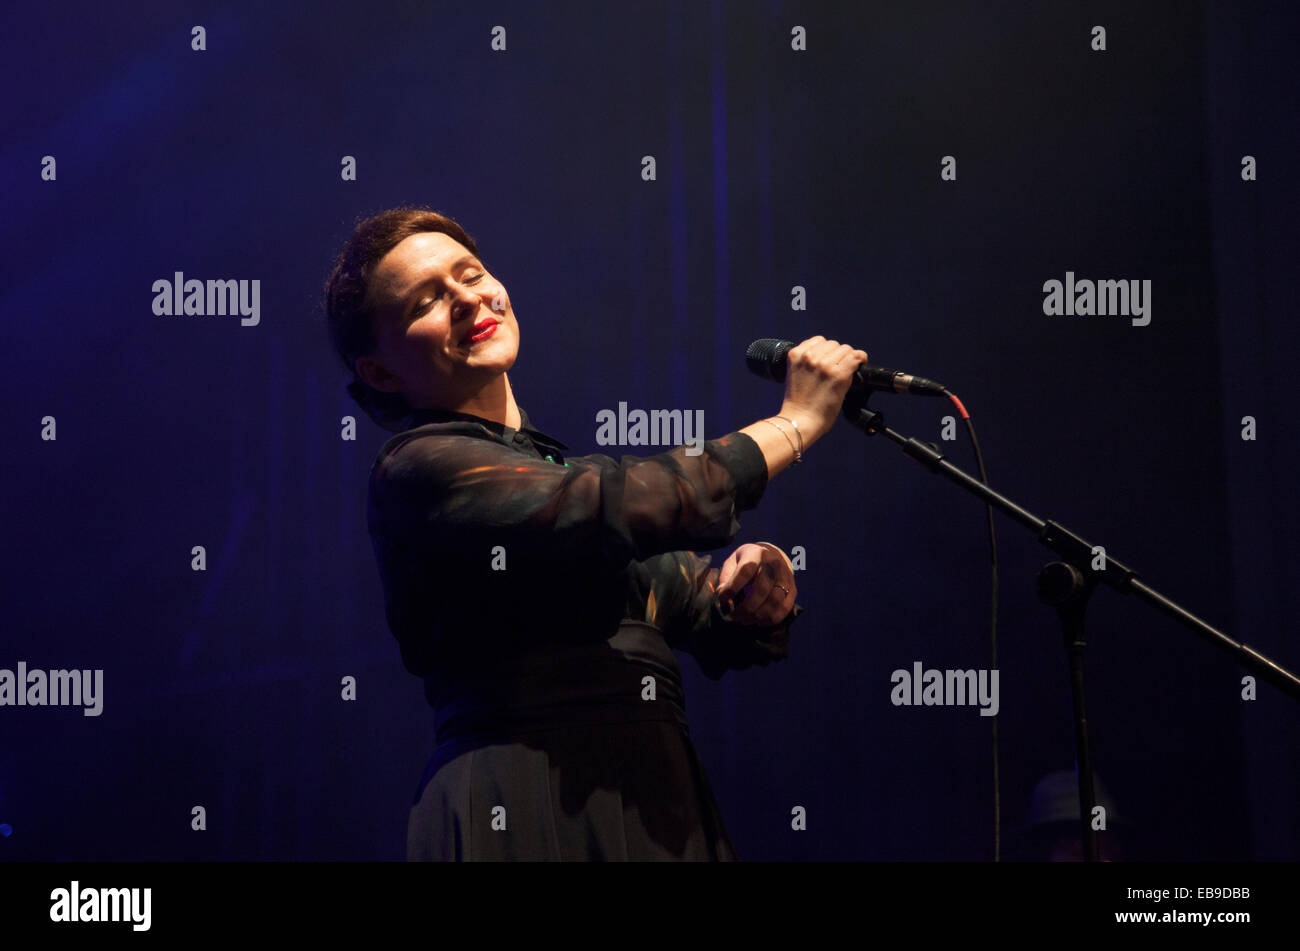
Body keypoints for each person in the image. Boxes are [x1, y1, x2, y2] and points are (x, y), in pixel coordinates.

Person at [323, 206, 868, 860]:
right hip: (525, 797)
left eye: (471, 274)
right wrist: (794, 422)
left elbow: (695, 599)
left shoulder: (556, 474)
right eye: (428, 301)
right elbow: (630, 501)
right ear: (379, 372)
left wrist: (755, 579)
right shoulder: (418, 470)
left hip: (653, 794)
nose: (469, 298)